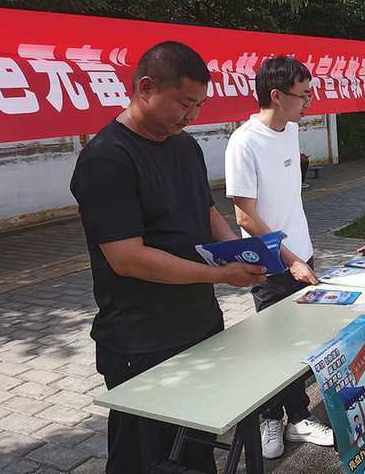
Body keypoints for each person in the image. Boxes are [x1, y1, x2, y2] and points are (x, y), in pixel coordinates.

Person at [70, 41, 268, 474]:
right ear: (146, 88)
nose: (191, 115)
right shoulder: (106, 160)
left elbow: (206, 211)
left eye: (199, 105)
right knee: (143, 457)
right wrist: (219, 275)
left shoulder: (185, 145)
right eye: (184, 103)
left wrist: (242, 253)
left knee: (195, 450)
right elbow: (128, 259)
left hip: (200, 324)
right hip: (143, 340)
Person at [224, 55, 334, 459]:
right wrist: (289, 260)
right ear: (277, 95)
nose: (309, 103)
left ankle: (298, 418)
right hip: (270, 263)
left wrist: (301, 255)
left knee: (300, 341)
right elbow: (245, 217)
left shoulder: (291, 130)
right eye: (304, 95)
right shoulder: (244, 143)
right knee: (274, 346)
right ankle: (272, 419)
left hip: (301, 254)